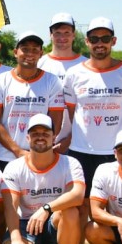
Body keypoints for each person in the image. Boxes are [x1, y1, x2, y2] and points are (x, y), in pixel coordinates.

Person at [61, 16, 122, 244]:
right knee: (82, 208)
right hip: (82, 151)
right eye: (94, 39)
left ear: (113, 41)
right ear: (86, 42)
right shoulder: (74, 74)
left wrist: (115, 141)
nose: (99, 43)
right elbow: (70, 114)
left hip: (115, 152)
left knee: (117, 207)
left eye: (105, 38)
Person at [1, 114, 85, 244]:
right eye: (35, 133)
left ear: (54, 137)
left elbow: (77, 195)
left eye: (46, 133)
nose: (40, 136)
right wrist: (15, 238)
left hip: (54, 224)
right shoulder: (14, 167)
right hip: (27, 224)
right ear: (27, 137)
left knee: (71, 211)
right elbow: (10, 206)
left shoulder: (70, 163)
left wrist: (46, 209)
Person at [0, 31, 65, 171]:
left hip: (39, 157)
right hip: (5, 157)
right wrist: (17, 151)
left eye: (35, 50)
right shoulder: (1, 80)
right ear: (16, 52)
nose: (30, 53)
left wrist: (37, 150)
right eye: (25, 49)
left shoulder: (52, 81)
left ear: (41, 54)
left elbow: (55, 124)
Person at [37, 12, 86, 152]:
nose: (62, 37)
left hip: (78, 142)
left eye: (66, 32)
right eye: (57, 33)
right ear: (50, 34)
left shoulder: (86, 65)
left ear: (74, 34)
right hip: (42, 142)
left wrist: (69, 140)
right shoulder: (40, 64)